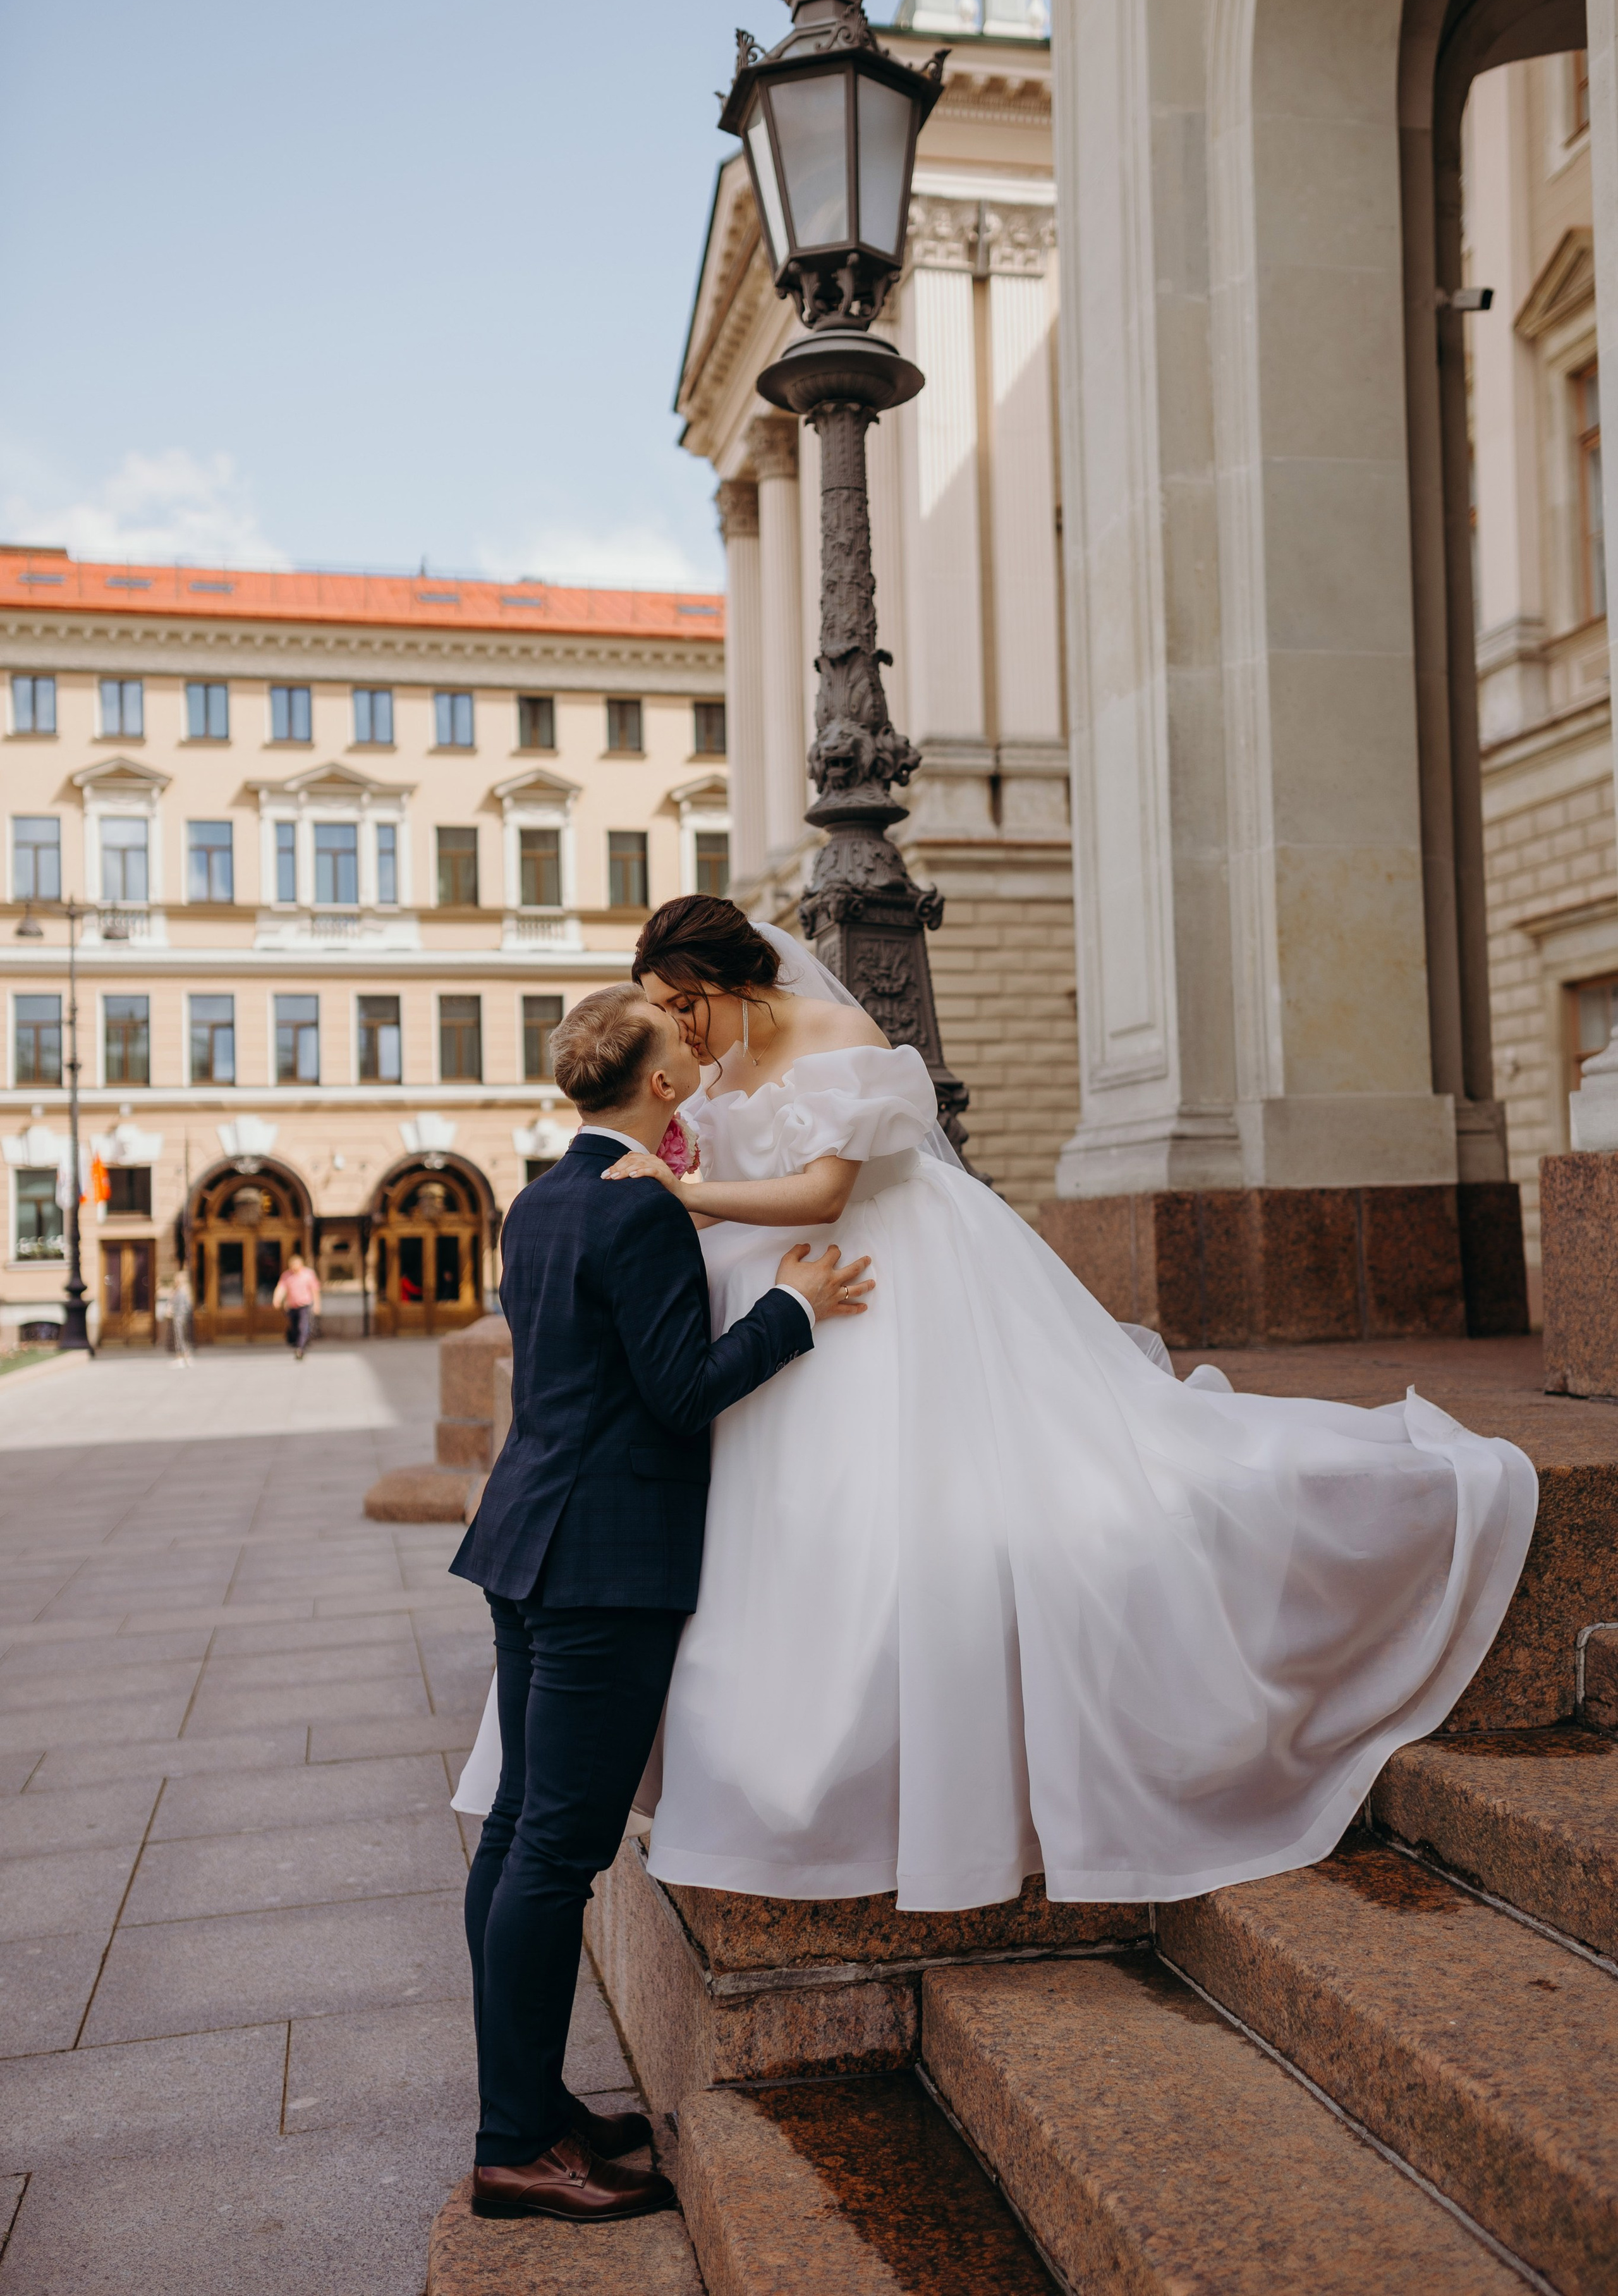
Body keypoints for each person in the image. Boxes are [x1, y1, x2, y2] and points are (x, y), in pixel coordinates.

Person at [458, 896, 1536, 1921]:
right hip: (779, 1295)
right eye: (659, 1007)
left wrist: (682, 1191)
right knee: (797, 1528)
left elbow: (828, 1193)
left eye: (684, 1000)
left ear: (731, 979)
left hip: (884, 1272)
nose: (677, 1026)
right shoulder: (706, 1067)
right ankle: (782, 1766)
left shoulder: (834, 1026)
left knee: (944, 1502)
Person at [446, 984, 872, 2225]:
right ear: (665, 1088)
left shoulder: (539, 1195)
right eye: (681, 1048)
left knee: (522, 1831)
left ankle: (529, 2106)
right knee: (556, 1851)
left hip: (529, 1542)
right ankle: (513, 2143)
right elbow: (682, 1392)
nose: (698, 1050)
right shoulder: (639, 1212)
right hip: (603, 1566)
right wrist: (797, 1306)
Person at [271, 1249, 320, 1358]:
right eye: (292, 1265)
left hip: (304, 1305)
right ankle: (299, 1342)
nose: (294, 1267)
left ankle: (300, 1349)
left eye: (296, 1264)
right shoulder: (286, 1275)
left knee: (302, 1326)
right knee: (294, 1328)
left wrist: (317, 1305)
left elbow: (315, 1290)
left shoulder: (308, 1274)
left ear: (301, 1264)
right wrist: (277, 1299)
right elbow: (281, 1288)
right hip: (292, 1306)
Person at [169, 1264, 195, 1367]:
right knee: (181, 1337)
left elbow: (187, 1306)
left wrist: (181, 1313)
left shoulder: (181, 1292)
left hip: (179, 1317)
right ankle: (184, 1357)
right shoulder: (179, 1292)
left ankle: (182, 1358)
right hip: (179, 1317)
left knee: (180, 1337)